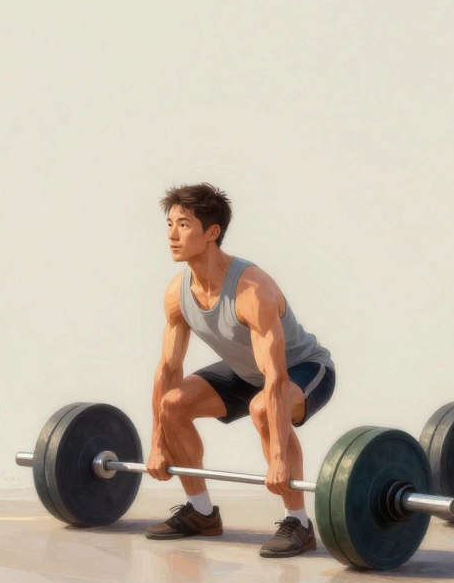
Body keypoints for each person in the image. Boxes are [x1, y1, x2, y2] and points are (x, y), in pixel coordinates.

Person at [143, 183, 336, 558]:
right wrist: (156, 442)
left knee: (263, 408)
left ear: (212, 232)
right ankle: (201, 513)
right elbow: (168, 367)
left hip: (302, 369)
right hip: (245, 372)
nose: (171, 234)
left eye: (183, 224)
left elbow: (277, 377)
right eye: (169, 224)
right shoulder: (176, 294)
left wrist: (279, 459)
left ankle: (298, 522)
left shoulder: (252, 289)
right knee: (173, 404)